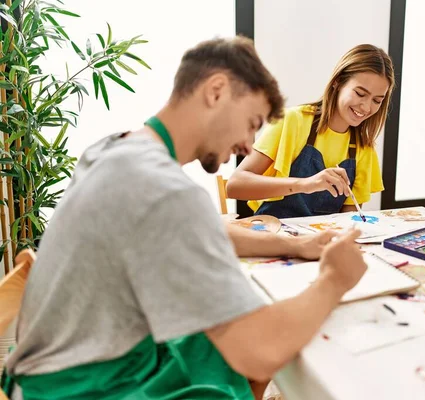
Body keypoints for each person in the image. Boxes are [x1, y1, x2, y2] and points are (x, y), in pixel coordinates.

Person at [2, 36, 367, 400]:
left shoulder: (115, 149)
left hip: (42, 370)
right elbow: (259, 353)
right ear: (216, 91)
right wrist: (334, 279)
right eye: (251, 122)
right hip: (82, 388)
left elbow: (196, 232)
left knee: (216, 347)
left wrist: (294, 243)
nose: (247, 144)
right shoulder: (168, 191)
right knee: (254, 351)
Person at [226, 44, 395, 219]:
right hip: (274, 236)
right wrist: (305, 184)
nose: (366, 107)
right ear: (338, 82)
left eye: (377, 100)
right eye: (360, 94)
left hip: (320, 242)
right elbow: (234, 185)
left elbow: (348, 220)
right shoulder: (292, 121)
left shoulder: (363, 148)